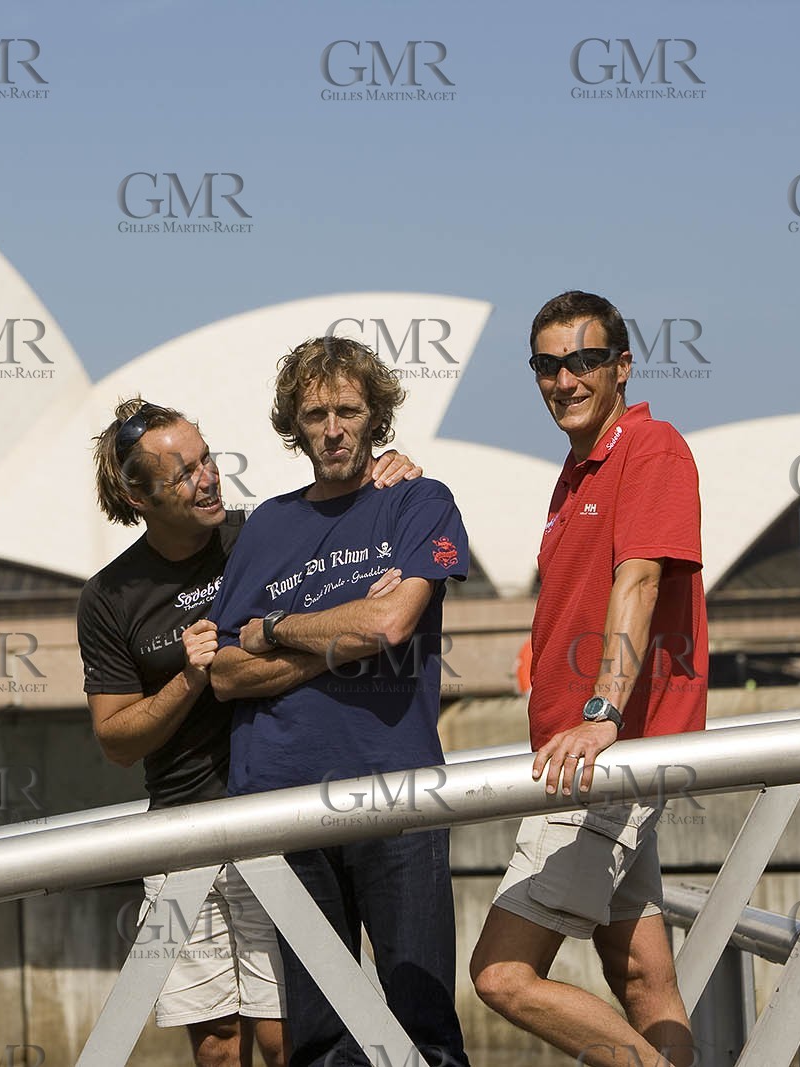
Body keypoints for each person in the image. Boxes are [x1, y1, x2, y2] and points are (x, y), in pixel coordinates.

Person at [77, 397, 420, 1067]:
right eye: (183, 473)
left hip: (273, 814)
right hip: (180, 829)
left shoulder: (261, 534)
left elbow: (350, 561)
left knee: (285, 1035)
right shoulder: (108, 596)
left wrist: (394, 478)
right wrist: (191, 678)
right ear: (136, 493)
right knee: (217, 1046)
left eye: (207, 459)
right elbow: (116, 739)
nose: (208, 478)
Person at [207, 337, 470, 1067]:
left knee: (424, 1031)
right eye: (315, 412)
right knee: (320, 1041)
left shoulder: (421, 501)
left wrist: (275, 630)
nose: (332, 428)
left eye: (348, 410)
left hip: (395, 795)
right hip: (281, 803)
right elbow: (226, 675)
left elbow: (390, 625)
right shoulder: (265, 527)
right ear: (294, 424)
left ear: (375, 415)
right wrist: (337, 636)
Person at [468, 291, 707, 1067]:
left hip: (601, 760)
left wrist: (602, 712)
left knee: (501, 973)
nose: (564, 378)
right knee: (640, 976)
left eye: (584, 359)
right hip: (592, 759)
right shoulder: (573, 475)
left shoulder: (652, 447)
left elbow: (637, 584)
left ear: (622, 366)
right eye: (547, 363)